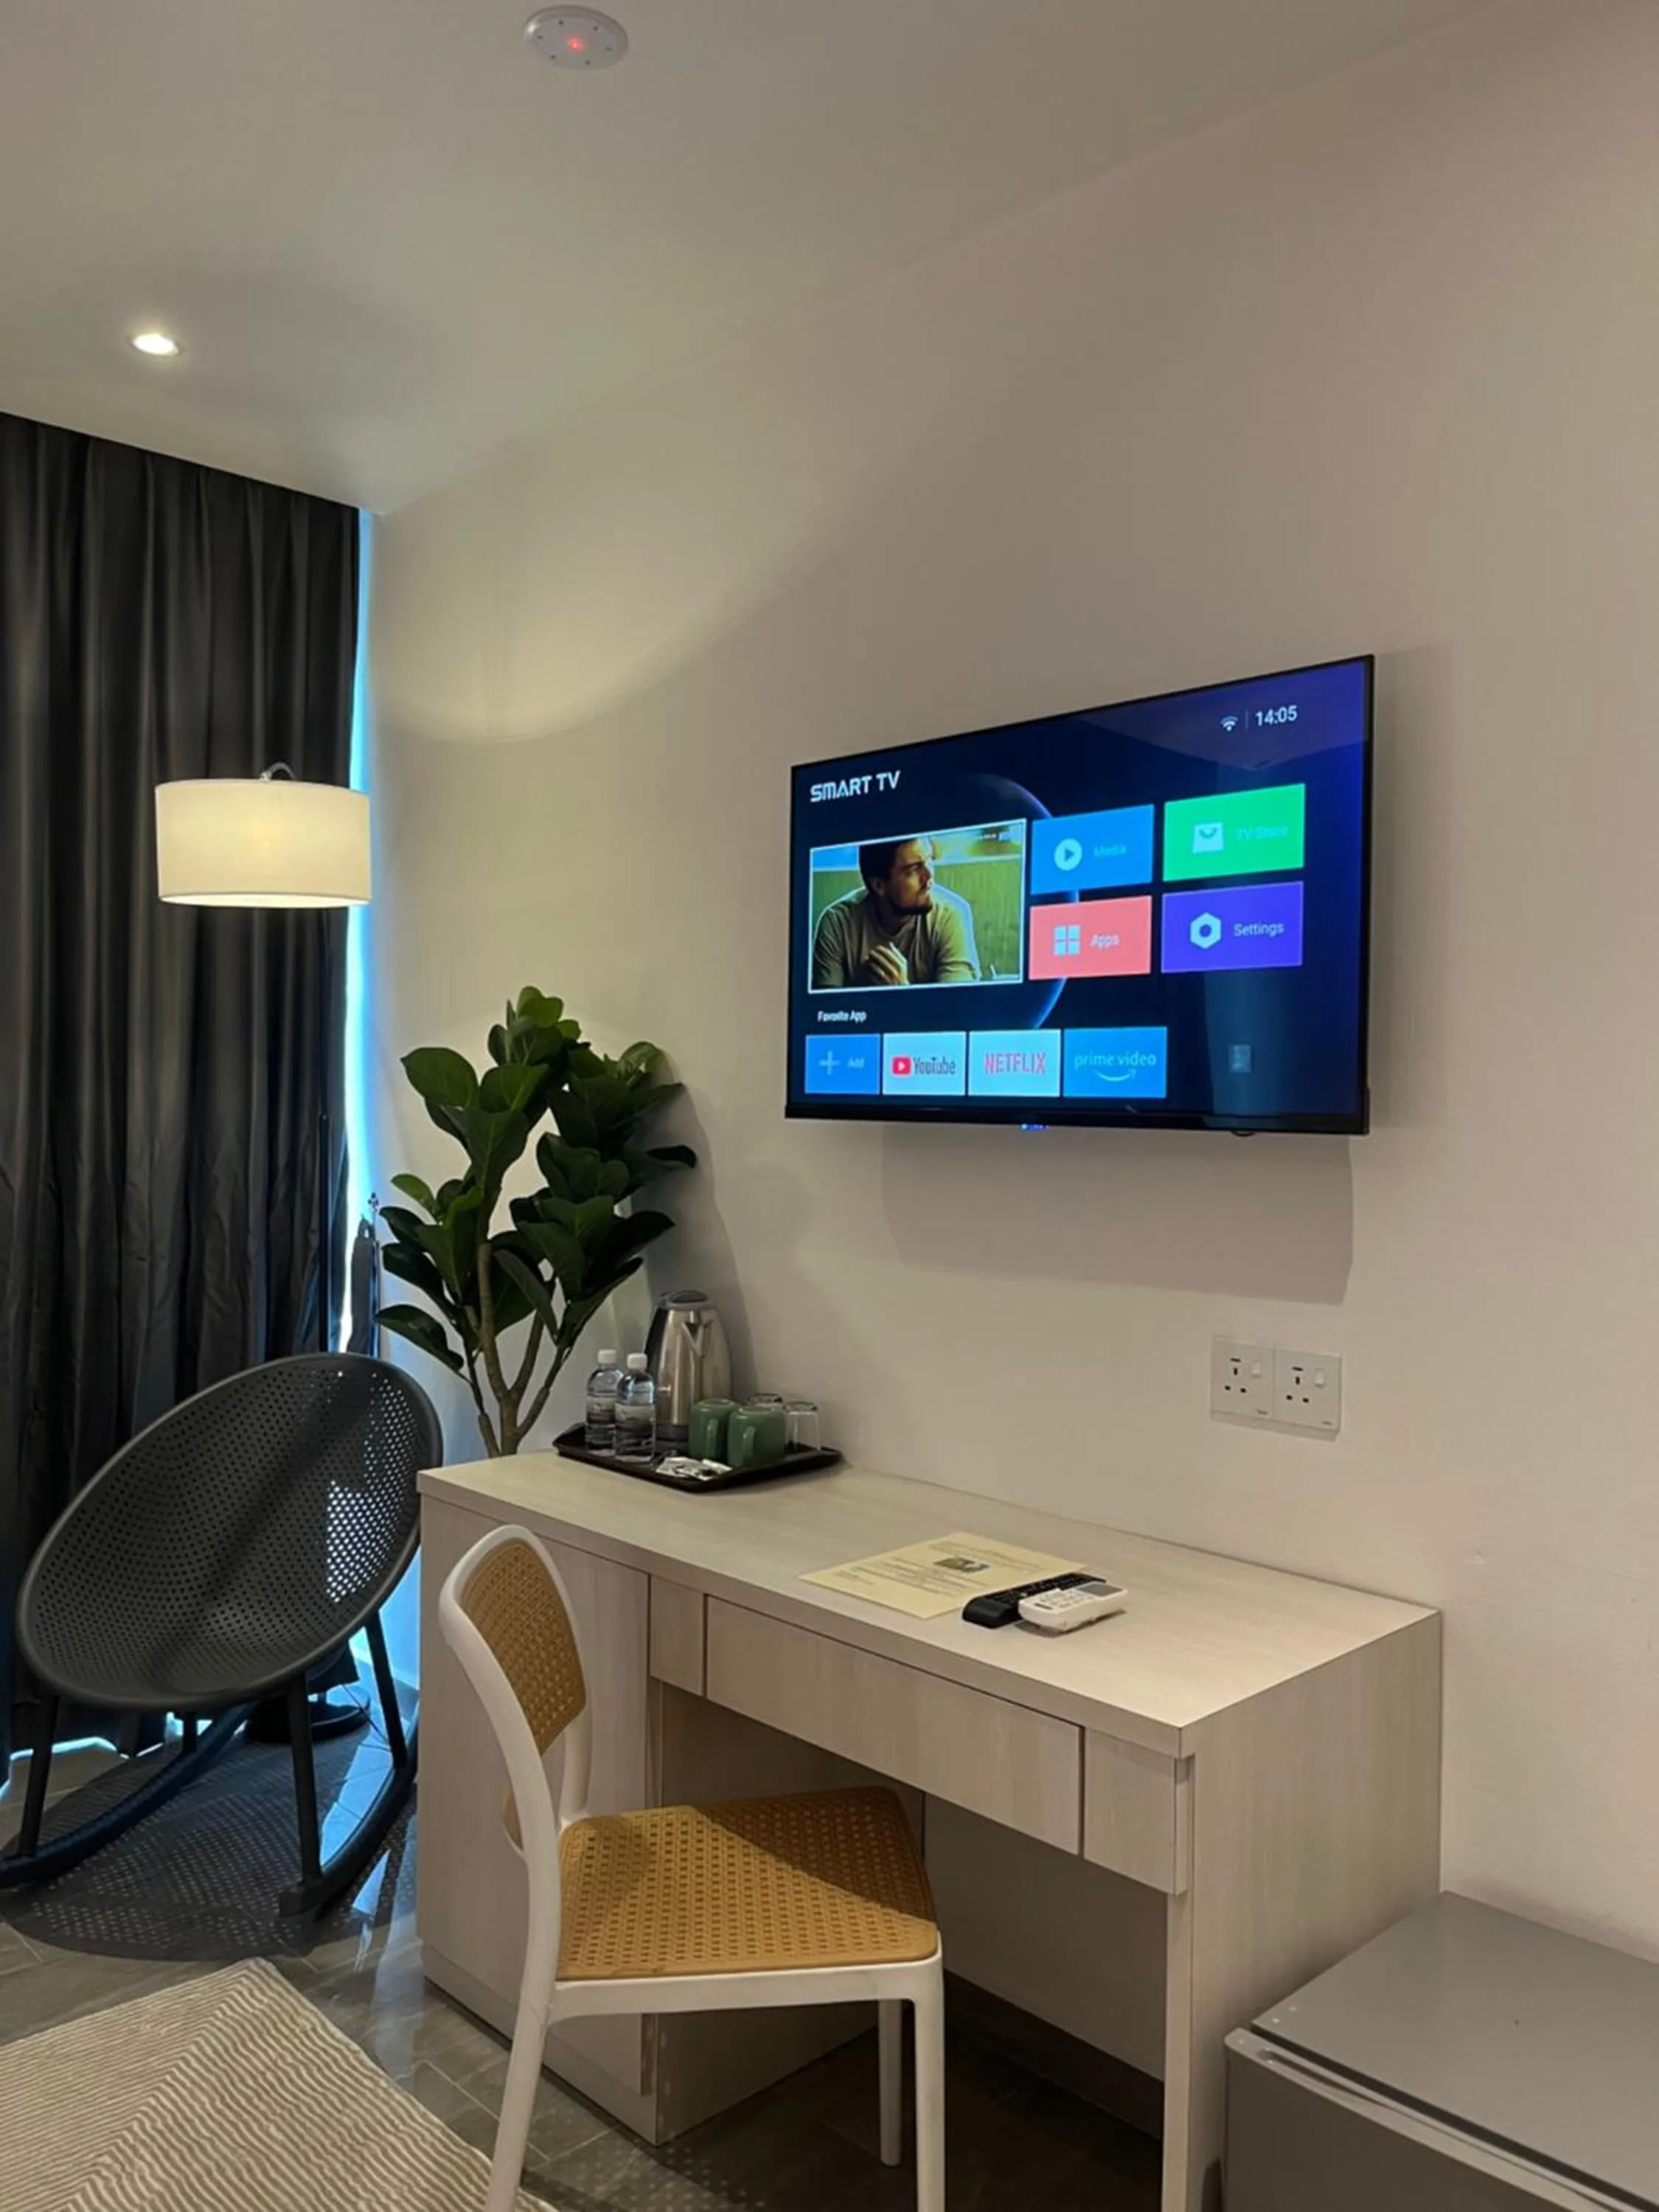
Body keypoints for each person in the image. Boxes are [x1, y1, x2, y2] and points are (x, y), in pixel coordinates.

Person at [811, 835, 981, 989]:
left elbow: (958, 1011)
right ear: (879, 885)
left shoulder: (951, 914)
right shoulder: (837, 923)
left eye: (929, 860)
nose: (929, 877)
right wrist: (858, 987)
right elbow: (821, 1015)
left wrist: (900, 992)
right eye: (913, 870)